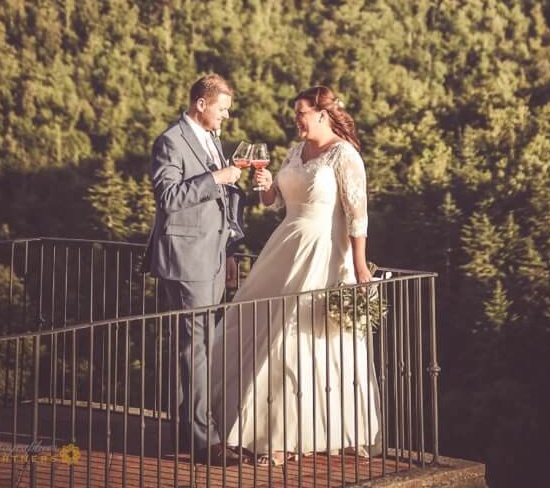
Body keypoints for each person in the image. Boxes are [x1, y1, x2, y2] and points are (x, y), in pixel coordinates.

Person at [212, 85, 381, 465]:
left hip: (323, 252)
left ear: (322, 113)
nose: (296, 120)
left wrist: (358, 265)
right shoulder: (296, 151)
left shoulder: (345, 154)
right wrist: (268, 187)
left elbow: (358, 214)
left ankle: (289, 435)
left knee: (300, 335)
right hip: (284, 246)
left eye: (301, 113)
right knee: (258, 324)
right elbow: (278, 204)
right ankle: (251, 425)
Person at [144, 73, 244, 465]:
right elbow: (167, 197)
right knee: (196, 349)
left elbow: (222, 204)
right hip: (187, 261)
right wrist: (216, 177)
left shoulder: (212, 139)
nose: (226, 116)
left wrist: (230, 251)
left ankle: (189, 432)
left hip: (213, 257)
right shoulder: (170, 140)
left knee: (198, 348)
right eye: (222, 109)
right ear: (200, 104)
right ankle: (206, 442)